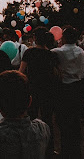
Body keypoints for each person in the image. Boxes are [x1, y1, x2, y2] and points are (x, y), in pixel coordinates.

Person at [19, 27, 60, 156]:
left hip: (32, 89)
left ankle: (31, 148)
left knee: (31, 119)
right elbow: (57, 74)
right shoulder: (52, 54)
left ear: (35, 38)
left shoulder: (29, 53)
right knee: (47, 120)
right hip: (48, 89)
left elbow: (21, 72)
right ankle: (49, 149)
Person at [51, 26, 84, 158]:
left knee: (63, 122)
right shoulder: (82, 53)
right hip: (77, 88)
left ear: (64, 37)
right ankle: (75, 151)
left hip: (63, 90)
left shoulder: (57, 52)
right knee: (75, 122)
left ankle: (65, 150)